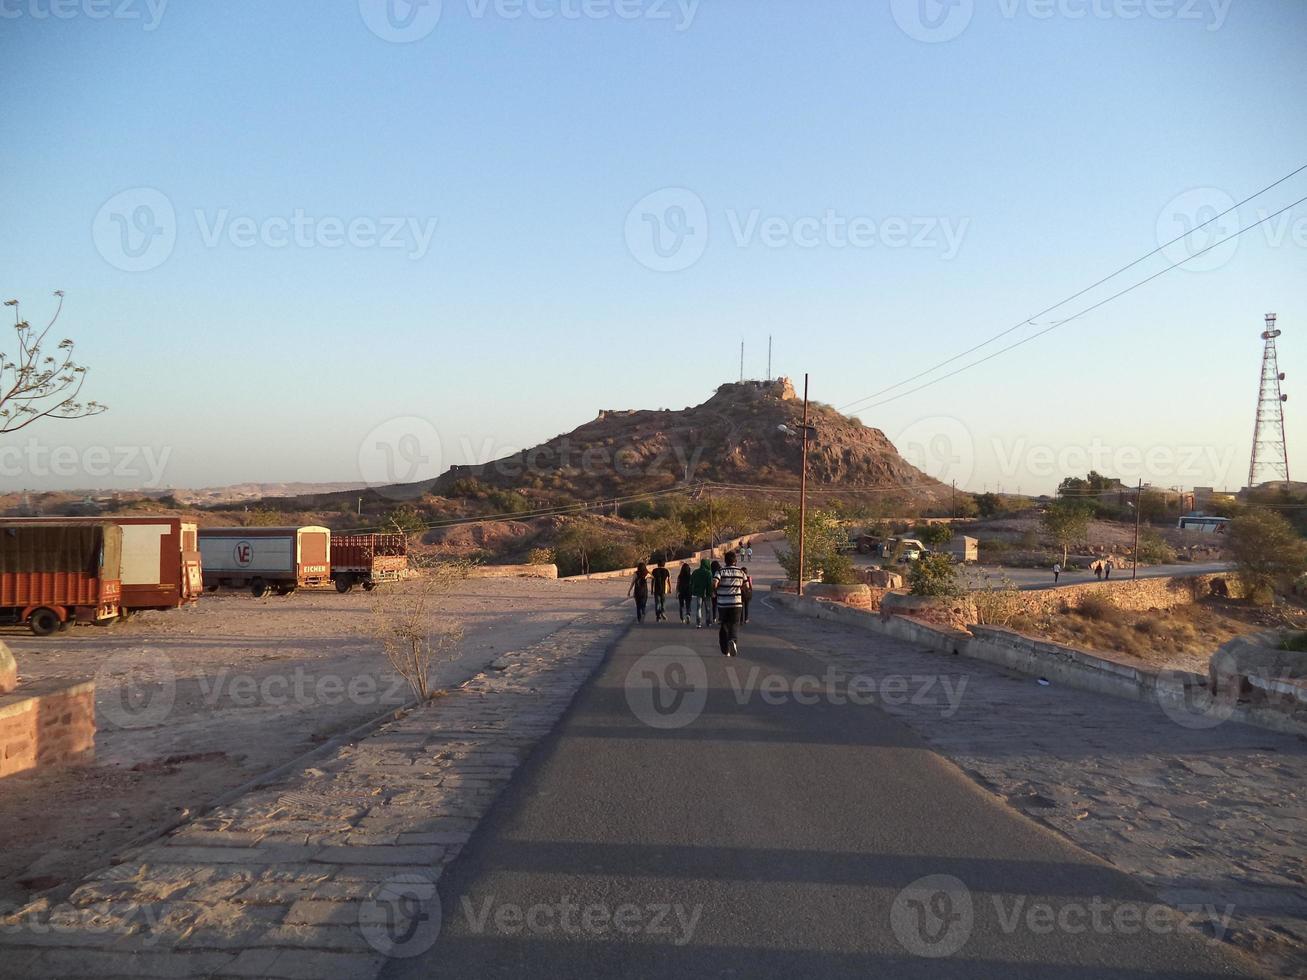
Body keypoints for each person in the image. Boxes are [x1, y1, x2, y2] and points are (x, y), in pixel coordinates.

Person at [714, 550, 746, 657]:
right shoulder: (741, 572)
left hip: (723, 603)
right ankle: (732, 640)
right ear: (735, 561)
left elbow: (714, 582)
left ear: (725, 561)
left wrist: (715, 591)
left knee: (724, 625)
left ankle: (725, 649)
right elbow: (746, 587)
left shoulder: (720, 571)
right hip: (736, 603)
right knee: (734, 624)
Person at [690, 558, 713, 628]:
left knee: (698, 608)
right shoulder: (709, 573)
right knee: (708, 608)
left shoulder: (696, 572)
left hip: (698, 593)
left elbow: (691, 581)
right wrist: (711, 592)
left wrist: (693, 590)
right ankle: (708, 622)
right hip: (707, 593)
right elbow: (710, 584)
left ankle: (698, 623)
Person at [710, 559, 722, 624]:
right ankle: (720, 617)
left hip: (713, 591)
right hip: (720, 591)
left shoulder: (711, 573)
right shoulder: (720, 572)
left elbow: (712, 583)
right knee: (720, 605)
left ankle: (714, 618)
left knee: (714, 605)